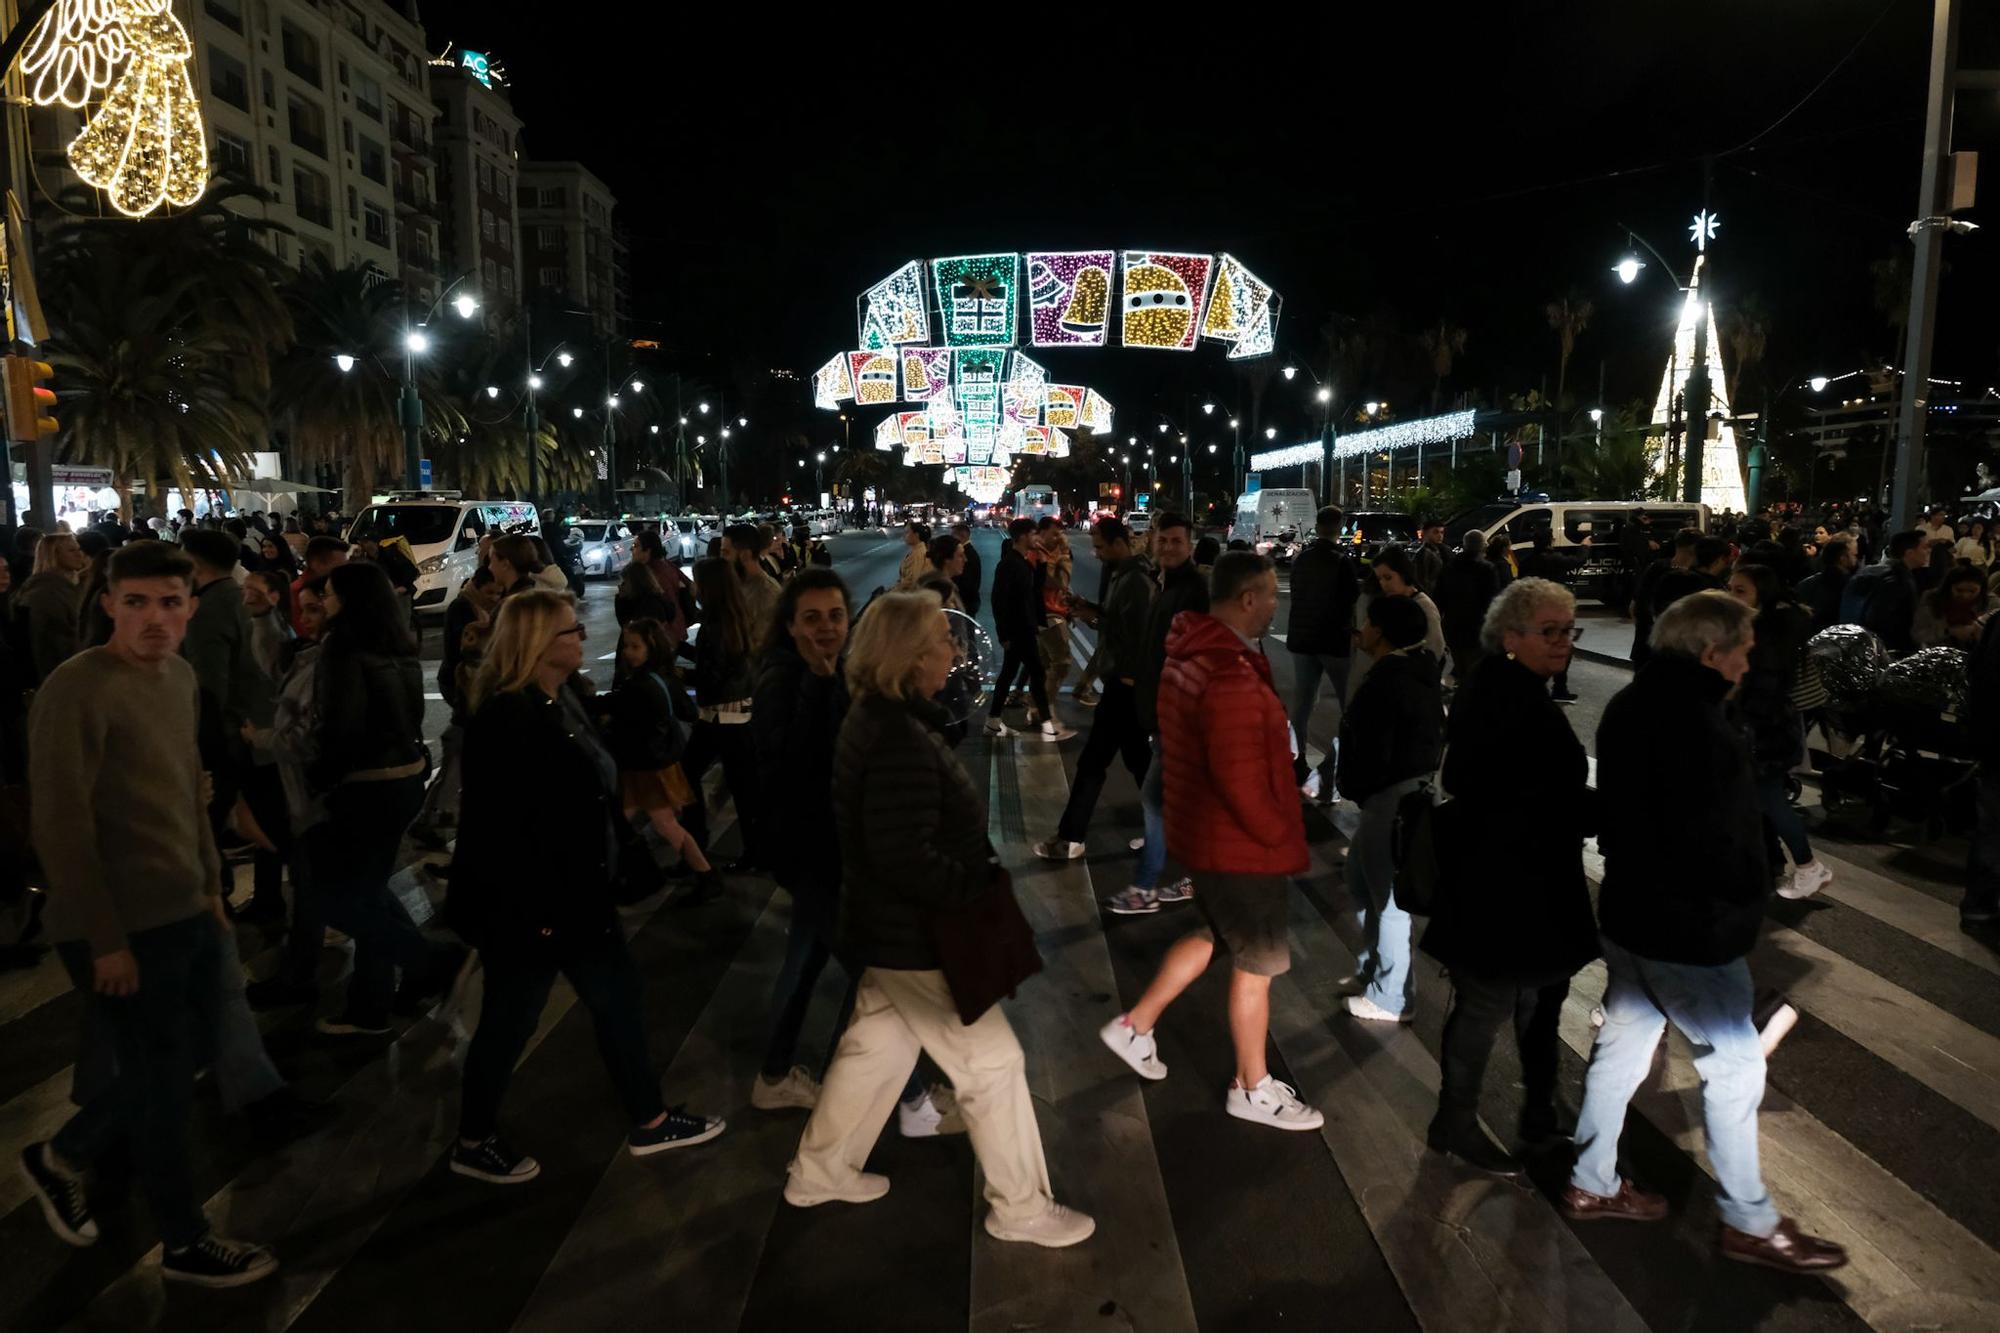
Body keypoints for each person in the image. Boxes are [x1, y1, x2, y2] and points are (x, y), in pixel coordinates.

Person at [784, 592, 1092, 1247]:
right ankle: (1021, 1207)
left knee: (874, 1048)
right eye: (943, 643)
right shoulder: (895, 733)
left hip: (886, 926)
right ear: (912, 656)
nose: (954, 653)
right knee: (994, 1062)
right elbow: (905, 854)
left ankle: (820, 1170)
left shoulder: (881, 716)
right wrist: (975, 887)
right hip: (916, 935)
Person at [1565, 591, 1849, 1275]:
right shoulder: (1697, 723)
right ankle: (1749, 1221)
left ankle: (1592, 1178)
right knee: (1735, 1066)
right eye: (1744, 649)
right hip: (1690, 925)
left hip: (1635, 908)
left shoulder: (1634, 705)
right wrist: (1746, 897)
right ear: (1710, 650)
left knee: (1625, 1047)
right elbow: (1716, 835)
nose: (1750, 663)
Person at [21, 540, 278, 1287]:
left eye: (169, 601)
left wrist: (207, 888)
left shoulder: (183, 677)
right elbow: (61, 824)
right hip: (119, 918)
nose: (154, 619)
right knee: (162, 1080)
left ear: (192, 605)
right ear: (107, 603)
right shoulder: (78, 688)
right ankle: (185, 1239)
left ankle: (67, 1151)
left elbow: (187, 790)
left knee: (180, 1056)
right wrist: (105, 940)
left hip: (182, 905)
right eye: (135, 602)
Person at [450, 591, 725, 1182]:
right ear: (539, 646)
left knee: (617, 1000)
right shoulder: (509, 717)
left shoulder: (561, 700)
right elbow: (505, 828)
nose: (582, 637)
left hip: (577, 897)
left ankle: (649, 1120)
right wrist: (542, 912)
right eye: (571, 631)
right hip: (535, 907)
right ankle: (473, 1139)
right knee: (510, 1020)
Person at [1099, 553, 1324, 1132]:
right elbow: (1239, 776)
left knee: (1215, 934)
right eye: (1272, 595)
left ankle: (1135, 1026)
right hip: (1241, 843)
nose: (1277, 605)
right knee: (1258, 963)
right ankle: (1252, 1086)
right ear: (1247, 599)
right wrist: (1279, 836)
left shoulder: (1193, 653)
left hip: (1206, 830)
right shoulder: (1226, 671)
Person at [1419, 578, 1597, 1174]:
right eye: (1550, 631)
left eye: (1568, 630)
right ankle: (1459, 1121)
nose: (1563, 642)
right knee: (1489, 1005)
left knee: (1534, 1001)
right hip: (1506, 886)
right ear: (1511, 636)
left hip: (1518, 881)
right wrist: (1592, 809)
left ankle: (1537, 1115)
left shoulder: (1508, 687)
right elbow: (1516, 790)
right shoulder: (1506, 696)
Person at [307, 562, 460, 1036]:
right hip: (405, 775)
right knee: (370, 890)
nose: (324, 604)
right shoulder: (399, 644)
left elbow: (340, 728)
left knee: (335, 898)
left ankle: (431, 960)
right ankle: (370, 1006)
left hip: (366, 783)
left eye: (329, 595)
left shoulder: (343, 649)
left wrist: (321, 783)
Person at [1336, 595, 1444, 1023]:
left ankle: (1392, 997)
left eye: (1367, 621)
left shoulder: (1390, 677)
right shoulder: (1413, 668)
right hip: (1393, 794)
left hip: (1390, 796)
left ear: (1380, 631)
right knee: (1360, 882)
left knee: (1388, 901)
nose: (1361, 629)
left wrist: (1360, 788)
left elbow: (1375, 745)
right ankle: (1372, 971)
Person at [1032, 517, 1154, 870]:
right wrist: (1092, 611)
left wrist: (1129, 677)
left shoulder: (1135, 580)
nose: (1096, 554)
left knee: (1094, 763)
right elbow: (1118, 621)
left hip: (1124, 684)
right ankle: (1168, 828)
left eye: (1100, 547)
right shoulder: (1122, 575)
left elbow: (1138, 634)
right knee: (1138, 763)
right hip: (1121, 682)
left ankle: (1071, 837)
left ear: (1119, 543)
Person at [1726, 564, 1832, 901]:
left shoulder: (1768, 634)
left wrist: (1738, 719)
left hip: (1764, 732)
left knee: (1770, 799)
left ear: (1763, 592)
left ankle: (1808, 866)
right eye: (1730, 588)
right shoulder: (1766, 626)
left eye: (1740, 590)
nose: (1732, 596)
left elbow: (1762, 691)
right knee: (1757, 802)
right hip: (1765, 730)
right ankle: (1775, 866)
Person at [607, 617, 719, 892]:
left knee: (656, 823)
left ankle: (704, 875)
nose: (628, 652)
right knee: (642, 822)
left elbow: (611, 711)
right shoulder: (664, 678)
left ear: (650, 647)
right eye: (627, 646)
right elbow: (688, 712)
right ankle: (704, 875)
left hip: (644, 768)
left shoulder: (636, 686)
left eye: (635, 646)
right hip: (657, 763)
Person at [680, 556, 767, 870]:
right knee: (745, 788)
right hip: (733, 715)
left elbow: (710, 676)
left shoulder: (717, 626)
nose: (693, 587)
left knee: (691, 774)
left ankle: (697, 848)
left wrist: (677, 674)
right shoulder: (732, 617)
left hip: (720, 717)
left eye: (696, 581)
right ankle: (754, 853)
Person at [1284, 506, 1363, 800]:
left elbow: (1295, 590)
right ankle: (1334, 770)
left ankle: (1296, 759)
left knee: (1302, 703)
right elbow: (1350, 599)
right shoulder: (1341, 562)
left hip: (1302, 638)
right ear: (1339, 526)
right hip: (1333, 640)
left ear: (1317, 526)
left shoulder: (1301, 559)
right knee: (1349, 706)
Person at [985, 518, 1073, 741]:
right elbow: (998, 601)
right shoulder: (1009, 564)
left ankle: (994, 720)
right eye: (1034, 534)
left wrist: (1043, 565)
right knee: (1035, 672)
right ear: (1023, 536)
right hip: (1017, 631)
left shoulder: (1023, 562)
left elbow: (1033, 591)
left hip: (1025, 628)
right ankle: (1046, 724)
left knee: (1009, 675)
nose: (1037, 538)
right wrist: (1003, 634)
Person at [1349, 546, 1443, 695]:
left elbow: (1434, 649)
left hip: (1405, 687)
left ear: (1403, 574)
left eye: (1388, 577)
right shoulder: (1385, 602)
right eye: (1380, 578)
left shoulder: (1423, 606)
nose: (1384, 584)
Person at [1966, 610, 2000, 932]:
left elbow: (1975, 673)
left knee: (1991, 828)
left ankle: (1979, 905)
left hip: (1993, 743)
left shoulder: (1996, 621)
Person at [15, 530, 85, 682]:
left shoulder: (65, 587)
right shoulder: (46, 594)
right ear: (54, 555)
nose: (79, 554)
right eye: (72, 550)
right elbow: (51, 646)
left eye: (78, 549)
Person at [1519, 532, 1580, 702]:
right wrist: (1585, 546)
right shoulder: (1554, 559)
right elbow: (1577, 561)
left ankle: (1533, 686)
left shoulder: (1527, 562)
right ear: (1550, 542)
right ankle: (1559, 688)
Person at [1436, 529, 1502, 683]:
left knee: (1461, 665)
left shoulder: (1450, 567)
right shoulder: (1487, 569)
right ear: (1482, 547)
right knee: (1476, 671)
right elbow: (1492, 600)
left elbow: (1439, 597)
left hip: (1453, 626)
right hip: (1477, 627)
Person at [1848, 531, 1928, 655]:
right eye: (1924, 547)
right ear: (1909, 553)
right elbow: (1883, 621)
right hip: (1892, 652)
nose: (1927, 551)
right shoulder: (1897, 581)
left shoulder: (1888, 574)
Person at [723, 522, 783, 645]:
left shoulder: (766, 594)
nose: (722, 559)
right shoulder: (736, 584)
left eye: (726, 553)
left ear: (745, 555)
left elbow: (761, 648)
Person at [1912, 564, 1996, 649]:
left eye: (1972, 591)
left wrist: (1978, 633)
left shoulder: (1992, 603)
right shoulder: (1932, 599)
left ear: (1982, 589)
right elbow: (1918, 634)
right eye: (1959, 590)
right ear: (1949, 587)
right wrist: (1948, 631)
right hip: (1940, 653)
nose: (1965, 595)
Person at [289, 535, 349, 635]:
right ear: (316, 563)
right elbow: (304, 632)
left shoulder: (331, 586)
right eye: (339, 567)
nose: (344, 573)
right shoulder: (298, 592)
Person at [1795, 537, 1857, 634]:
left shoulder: (1805, 584)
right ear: (1843, 558)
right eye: (1854, 555)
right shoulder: (1851, 586)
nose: (1856, 559)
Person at [949, 521, 982, 617]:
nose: (951, 539)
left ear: (962, 536)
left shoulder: (967, 554)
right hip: (968, 603)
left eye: (953, 536)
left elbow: (967, 583)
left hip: (965, 604)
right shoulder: (969, 552)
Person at [1408, 518, 1446, 595]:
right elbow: (1421, 580)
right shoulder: (1424, 553)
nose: (1440, 536)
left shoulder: (1440, 550)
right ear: (1425, 533)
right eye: (1435, 532)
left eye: (1442, 532)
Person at [893, 520, 930, 589]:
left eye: (907, 533)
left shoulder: (918, 554)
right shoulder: (916, 551)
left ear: (916, 535)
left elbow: (913, 581)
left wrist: (893, 592)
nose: (904, 536)